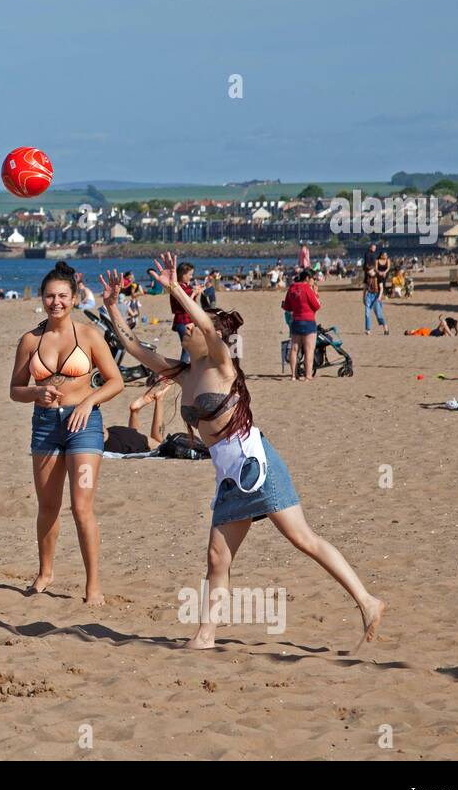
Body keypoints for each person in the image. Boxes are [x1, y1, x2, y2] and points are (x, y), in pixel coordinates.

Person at [101, 258, 385, 649]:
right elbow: (134, 348)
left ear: (213, 334)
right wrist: (113, 306)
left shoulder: (221, 361)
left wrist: (175, 289)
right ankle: (205, 635)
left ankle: (367, 602)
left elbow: (203, 323)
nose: (184, 329)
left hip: (257, 464)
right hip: (229, 475)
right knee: (217, 557)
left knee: (303, 539)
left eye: (192, 326)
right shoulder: (185, 373)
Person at [10, 262, 124, 606]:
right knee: (47, 507)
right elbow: (15, 389)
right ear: (42, 299)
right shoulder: (30, 340)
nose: (55, 302)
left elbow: (116, 381)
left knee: (81, 507)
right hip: (45, 426)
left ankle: (93, 584)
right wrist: (35, 393)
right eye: (49, 296)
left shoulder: (89, 336)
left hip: (83, 427)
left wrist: (89, 402)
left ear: (74, 298)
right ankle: (45, 573)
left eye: (62, 296)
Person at [282, 269, 321, 381]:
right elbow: (316, 306)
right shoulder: (308, 288)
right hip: (308, 320)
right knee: (309, 349)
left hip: (296, 321)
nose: (314, 281)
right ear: (308, 278)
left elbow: (287, 307)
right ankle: (308, 376)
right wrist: (316, 293)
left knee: (294, 349)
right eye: (313, 279)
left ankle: (293, 375)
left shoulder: (292, 287)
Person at [170, 261, 200, 360]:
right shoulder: (177, 287)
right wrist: (193, 294)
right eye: (190, 274)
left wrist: (196, 293)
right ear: (182, 274)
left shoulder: (186, 286)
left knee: (190, 347)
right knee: (187, 348)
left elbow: (193, 305)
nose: (191, 277)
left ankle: (185, 369)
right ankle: (181, 371)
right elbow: (185, 304)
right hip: (182, 321)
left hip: (187, 320)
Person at [363, 266, 388, 335]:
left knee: (379, 314)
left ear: (373, 269)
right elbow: (365, 288)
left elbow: (381, 288)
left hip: (376, 295)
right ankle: (368, 330)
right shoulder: (367, 277)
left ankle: (385, 327)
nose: (368, 271)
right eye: (367, 270)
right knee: (367, 313)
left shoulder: (378, 277)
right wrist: (363, 297)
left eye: (369, 270)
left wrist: (379, 297)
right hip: (369, 295)